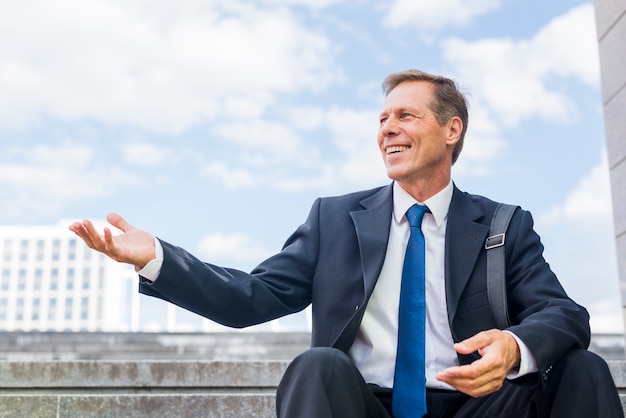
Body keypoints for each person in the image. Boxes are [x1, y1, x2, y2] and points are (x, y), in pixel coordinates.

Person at [69, 69, 622, 418]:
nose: (387, 129)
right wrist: (159, 259)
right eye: (382, 119)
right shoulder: (334, 220)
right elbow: (250, 297)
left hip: (479, 405)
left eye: (406, 115)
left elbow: (563, 313)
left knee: (583, 369)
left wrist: (513, 347)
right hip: (365, 406)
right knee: (316, 366)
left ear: (452, 131)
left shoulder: (505, 224)